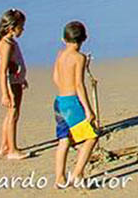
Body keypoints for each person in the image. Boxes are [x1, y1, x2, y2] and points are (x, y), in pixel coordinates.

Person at [52, 21, 98, 189]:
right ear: (84, 39)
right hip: (72, 102)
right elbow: (79, 84)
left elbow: (56, 78)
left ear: (64, 39)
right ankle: (78, 173)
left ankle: (59, 177)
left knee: (64, 140)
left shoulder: (60, 54)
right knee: (91, 137)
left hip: (59, 101)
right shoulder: (80, 57)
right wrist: (88, 109)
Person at [0, 8, 30, 160]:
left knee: (11, 114)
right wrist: (5, 93)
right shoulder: (7, 45)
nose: (23, 29)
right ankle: (12, 150)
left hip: (16, 80)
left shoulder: (10, 42)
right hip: (11, 84)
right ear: (11, 28)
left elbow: (15, 64)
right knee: (13, 114)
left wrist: (22, 78)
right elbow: (3, 71)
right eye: (21, 27)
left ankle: (4, 146)